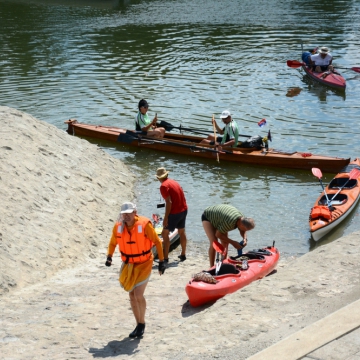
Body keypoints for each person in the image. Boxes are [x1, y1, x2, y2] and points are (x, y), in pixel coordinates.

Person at [105, 201, 166, 338]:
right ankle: (138, 324)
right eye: (124, 214)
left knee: (138, 295)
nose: (126, 216)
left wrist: (162, 261)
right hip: (129, 264)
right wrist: (109, 256)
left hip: (144, 263)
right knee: (131, 296)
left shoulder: (144, 225)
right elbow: (113, 242)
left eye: (129, 213)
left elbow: (157, 241)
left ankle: (142, 324)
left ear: (135, 213)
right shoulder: (118, 227)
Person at [155, 167, 188, 262]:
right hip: (184, 209)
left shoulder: (163, 186)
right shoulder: (174, 182)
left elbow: (168, 202)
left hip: (174, 213)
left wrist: (166, 218)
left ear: (158, 178)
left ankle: (165, 258)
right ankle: (183, 254)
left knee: (164, 233)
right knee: (181, 232)